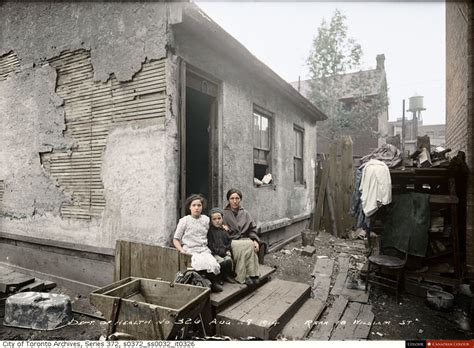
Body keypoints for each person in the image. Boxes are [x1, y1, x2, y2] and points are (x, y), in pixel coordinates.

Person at [173, 194, 222, 292]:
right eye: (194, 205)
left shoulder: (206, 219)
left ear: (202, 207)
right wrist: (181, 249)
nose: (196, 208)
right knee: (199, 263)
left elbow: (216, 225)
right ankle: (205, 284)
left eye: (199, 205)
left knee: (213, 264)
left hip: (203, 249)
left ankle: (212, 282)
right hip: (190, 250)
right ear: (189, 207)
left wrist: (223, 226)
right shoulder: (184, 221)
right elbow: (175, 239)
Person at [222, 188, 260, 285]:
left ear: (240, 199)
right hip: (231, 241)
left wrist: (255, 241)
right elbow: (218, 230)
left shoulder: (245, 213)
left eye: (237, 198)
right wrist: (224, 229)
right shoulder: (223, 214)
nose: (235, 201)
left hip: (244, 238)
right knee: (246, 245)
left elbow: (252, 229)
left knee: (251, 244)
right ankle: (243, 276)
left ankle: (253, 274)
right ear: (228, 200)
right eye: (232, 198)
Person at [207, 207, 235, 284]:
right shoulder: (210, 232)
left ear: (222, 219)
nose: (217, 221)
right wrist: (222, 252)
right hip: (215, 253)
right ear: (211, 220)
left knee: (228, 260)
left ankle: (226, 275)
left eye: (219, 218)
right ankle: (219, 277)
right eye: (214, 219)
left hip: (224, 252)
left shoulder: (224, 231)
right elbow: (211, 246)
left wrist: (227, 249)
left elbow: (228, 241)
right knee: (221, 261)